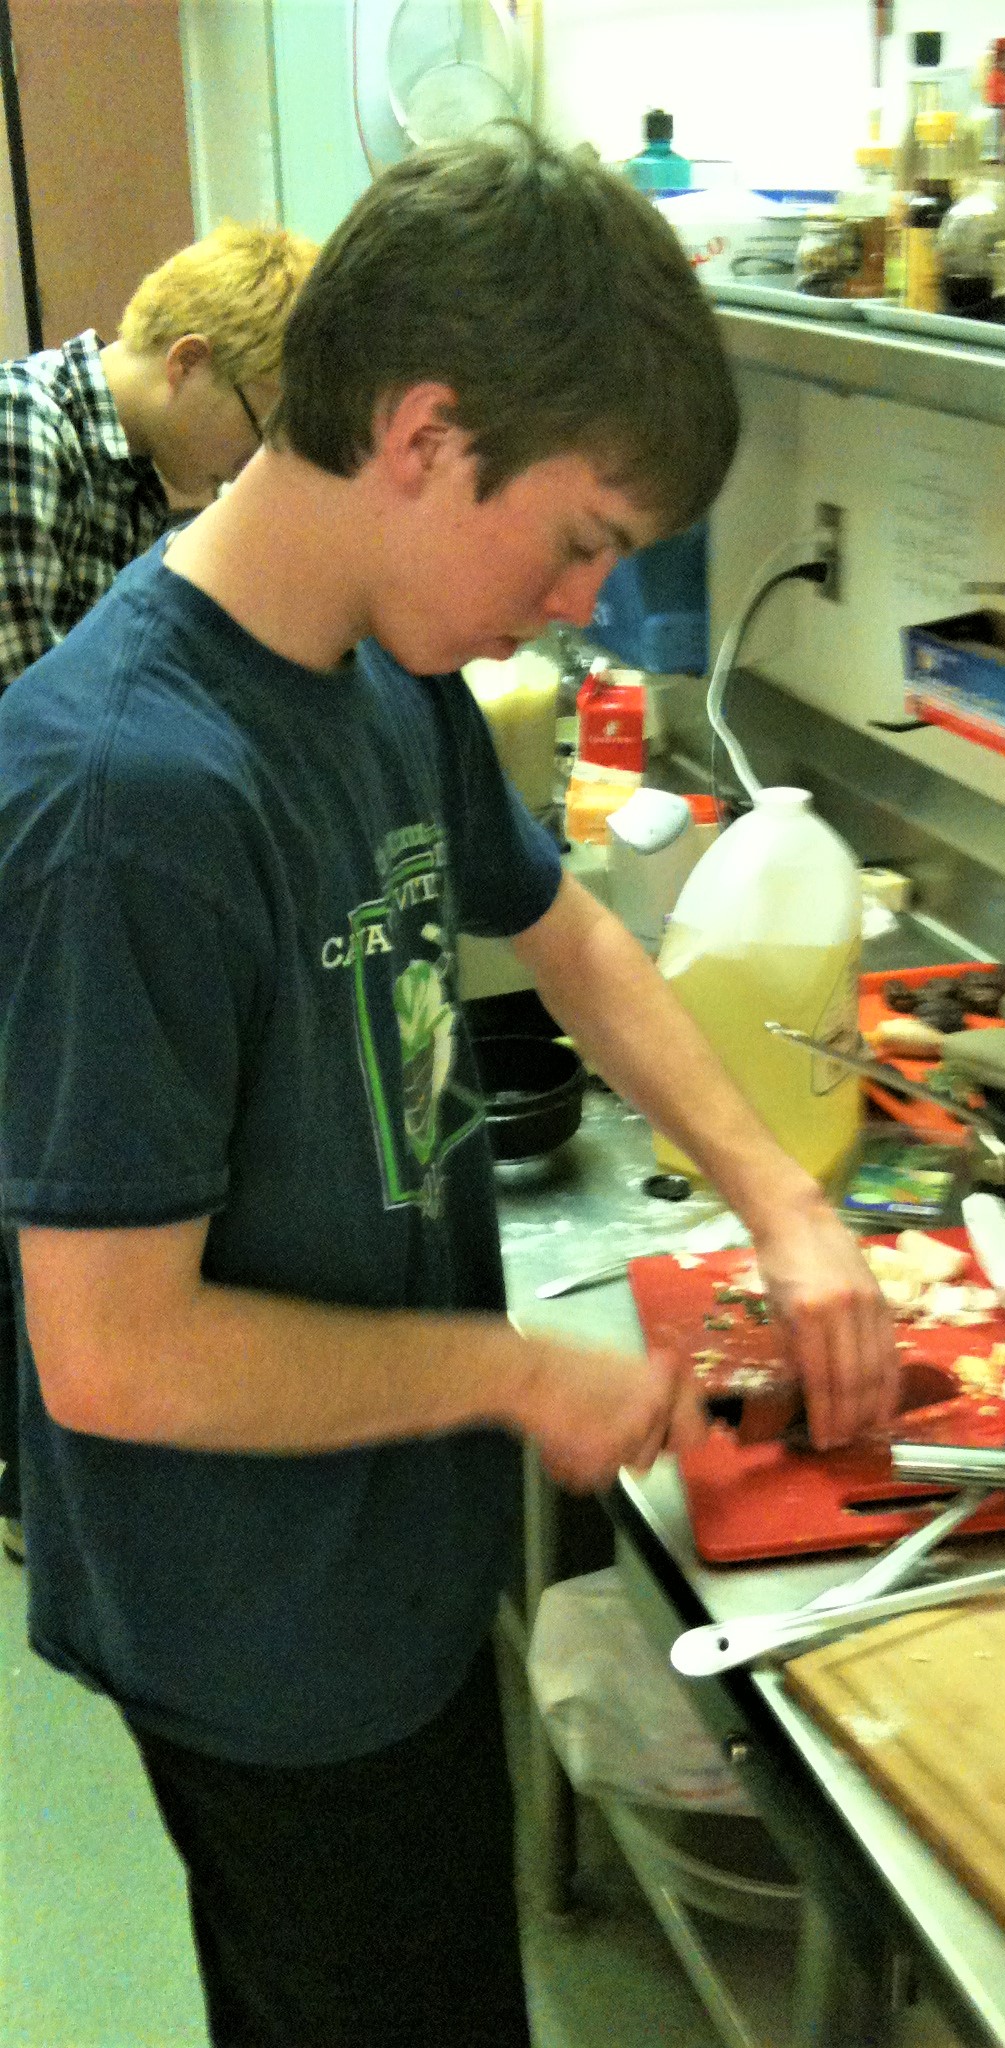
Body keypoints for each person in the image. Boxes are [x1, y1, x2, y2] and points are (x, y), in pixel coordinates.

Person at [0, 130, 896, 2048]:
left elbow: (563, 931)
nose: (580, 600)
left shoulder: (372, 667)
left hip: (380, 1552)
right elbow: (115, 1357)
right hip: (256, 1619)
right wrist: (508, 1374)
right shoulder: (125, 795)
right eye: (576, 536)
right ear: (422, 433)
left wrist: (784, 1198)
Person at [0, 219, 318, 1566]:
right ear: (190, 364)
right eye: (254, 437)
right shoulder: (17, 443)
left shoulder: (146, 474)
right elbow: (36, 734)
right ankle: (37, 1471)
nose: (250, 477)